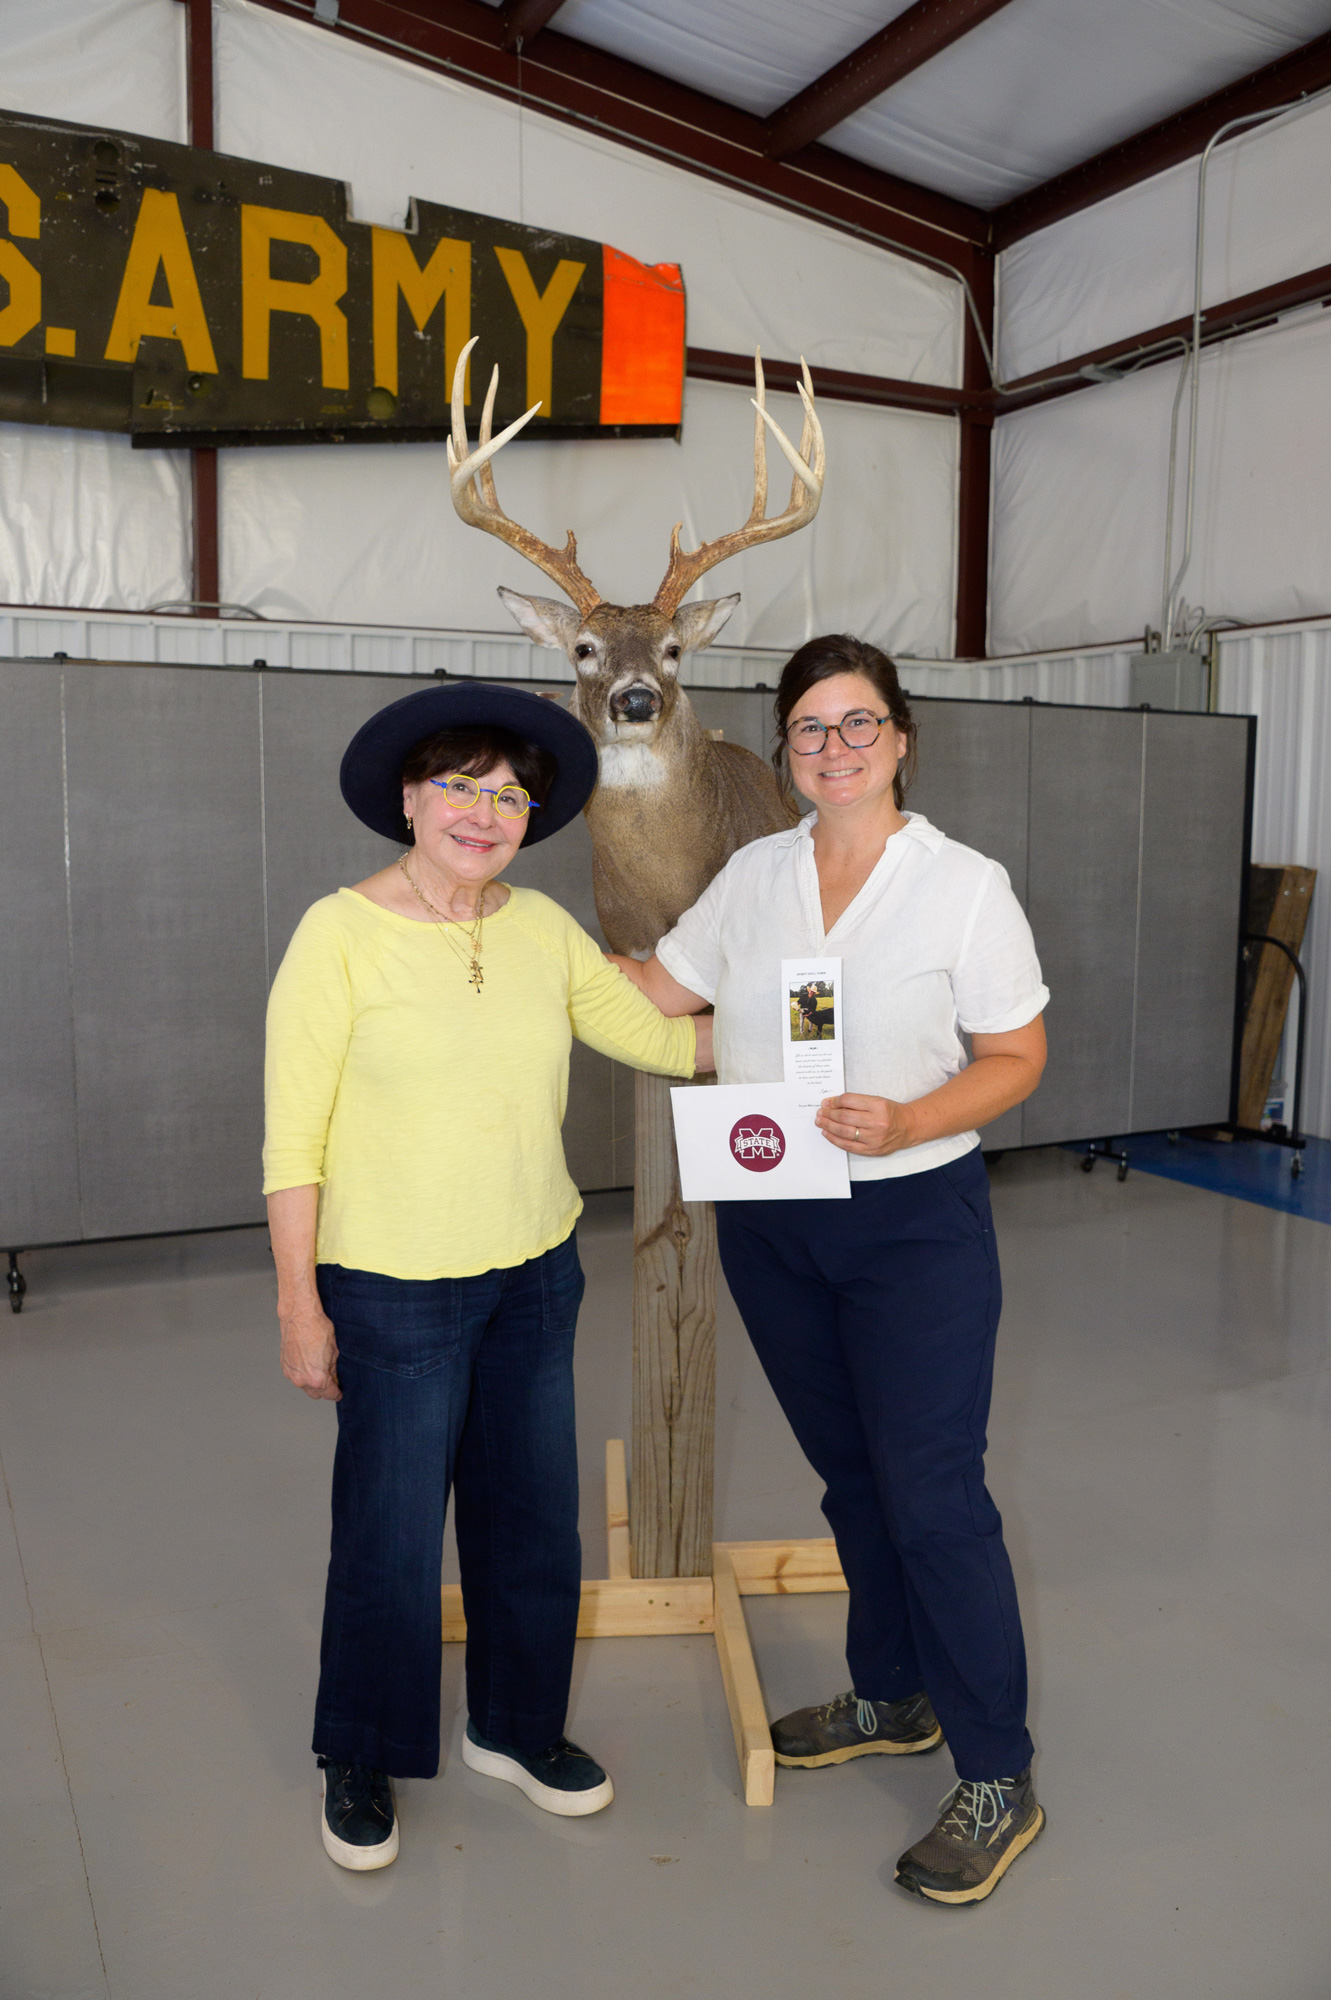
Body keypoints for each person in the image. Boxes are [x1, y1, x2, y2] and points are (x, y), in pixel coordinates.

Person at [611, 635, 1048, 1907]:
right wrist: (513, 948)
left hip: (912, 1220)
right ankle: (893, 1690)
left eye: (858, 724)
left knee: (930, 1492)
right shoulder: (751, 875)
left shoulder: (962, 885)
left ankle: (995, 1773)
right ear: (785, 748)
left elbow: (1014, 1054)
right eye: (810, 728)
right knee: (851, 1474)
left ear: (901, 738)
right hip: (773, 1216)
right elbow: (658, 991)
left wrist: (911, 1118)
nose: (834, 748)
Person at [264, 682, 711, 1871]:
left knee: (528, 1526)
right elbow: (289, 1140)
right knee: (390, 1538)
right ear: (408, 799)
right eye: (458, 784)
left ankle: (514, 1727)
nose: (485, 810)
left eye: (509, 792)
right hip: (391, 1288)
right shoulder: (337, 933)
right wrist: (298, 1302)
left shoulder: (542, 928)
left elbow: (662, 1038)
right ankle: (359, 1750)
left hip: (533, 1276)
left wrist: (816, 1022)